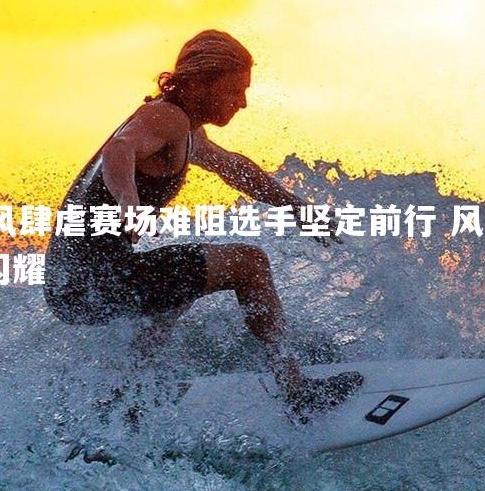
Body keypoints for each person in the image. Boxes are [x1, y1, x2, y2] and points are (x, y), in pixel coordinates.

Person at [45, 30, 360, 417]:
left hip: (73, 286)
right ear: (198, 83)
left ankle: (122, 401)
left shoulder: (185, 129)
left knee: (184, 284)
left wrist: (297, 208)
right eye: (234, 91)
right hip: (93, 280)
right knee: (249, 264)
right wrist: (128, 200)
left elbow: (233, 168)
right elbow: (120, 148)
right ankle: (296, 391)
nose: (242, 103)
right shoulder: (166, 117)